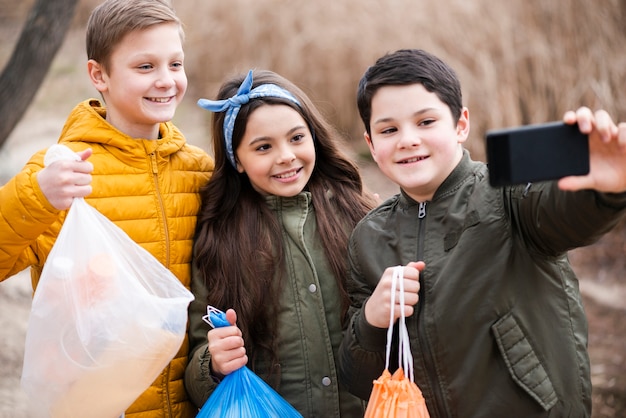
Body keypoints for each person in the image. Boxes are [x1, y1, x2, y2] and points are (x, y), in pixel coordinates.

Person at [337, 48, 626, 417]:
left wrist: (605, 189)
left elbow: (567, 214)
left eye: (426, 122)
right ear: (372, 146)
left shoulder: (506, 193)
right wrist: (372, 321)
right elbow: (358, 377)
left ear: (461, 125)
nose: (407, 139)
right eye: (389, 129)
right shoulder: (368, 237)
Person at [0, 0, 214, 416]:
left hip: (191, 404)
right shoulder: (60, 172)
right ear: (99, 74)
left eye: (175, 64)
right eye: (145, 67)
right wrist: (36, 196)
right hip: (94, 404)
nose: (166, 80)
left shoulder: (198, 171)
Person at [185, 69, 375, 417]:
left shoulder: (360, 216)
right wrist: (213, 363)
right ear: (237, 161)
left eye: (296, 138)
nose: (286, 155)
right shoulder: (219, 242)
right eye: (263, 147)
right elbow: (196, 374)